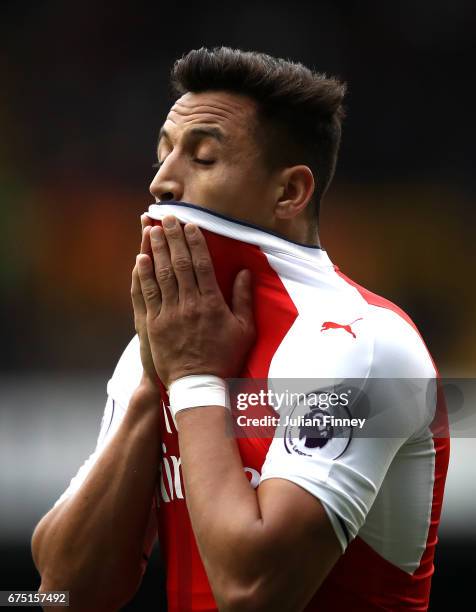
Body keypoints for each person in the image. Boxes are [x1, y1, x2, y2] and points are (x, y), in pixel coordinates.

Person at [31, 47, 450, 611]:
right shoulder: (164, 343)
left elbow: (254, 594)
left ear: (289, 193)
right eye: (163, 155)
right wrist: (156, 386)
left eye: (201, 159)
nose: (161, 183)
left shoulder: (361, 345)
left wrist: (196, 380)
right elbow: (62, 595)